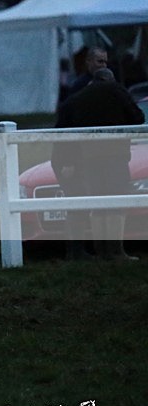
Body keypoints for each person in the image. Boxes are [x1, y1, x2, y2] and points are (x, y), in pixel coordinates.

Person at [53, 68, 144, 261]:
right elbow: (138, 118)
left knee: (97, 204)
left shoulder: (79, 97)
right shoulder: (117, 91)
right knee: (117, 202)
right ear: (110, 79)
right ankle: (116, 251)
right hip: (116, 156)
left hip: (89, 158)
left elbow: (66, 126)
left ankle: (101, 250)